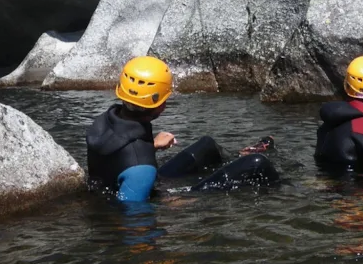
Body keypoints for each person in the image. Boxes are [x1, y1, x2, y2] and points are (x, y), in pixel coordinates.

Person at [86, 56, 279, 202]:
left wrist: (150, 145)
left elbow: (116, 158)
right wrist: (172, 203)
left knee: (207, 145)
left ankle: (239, 155)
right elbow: (133, 217)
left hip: (135, 181)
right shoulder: (141, 168)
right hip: (146, 191)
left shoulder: (104, 121)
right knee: (257, 163)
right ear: (161, 104)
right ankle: (295, 187)